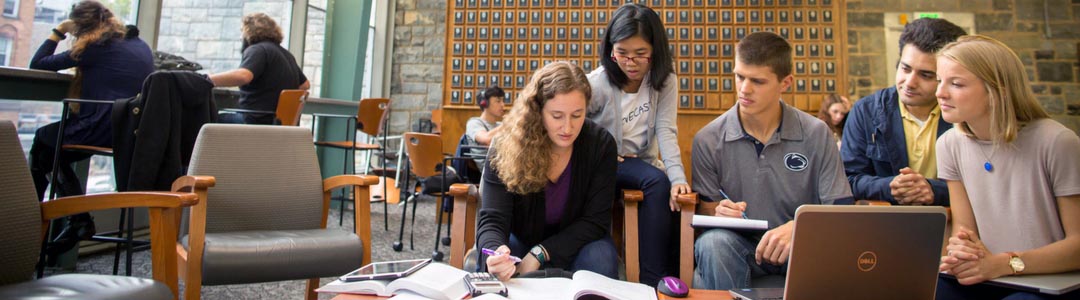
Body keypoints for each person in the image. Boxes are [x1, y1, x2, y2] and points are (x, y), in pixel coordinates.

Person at [691, 32, 852, 290]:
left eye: (757, 81)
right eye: (739, 76)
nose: (744, 89)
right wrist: (718, 213)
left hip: (802, 245)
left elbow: (841, 210)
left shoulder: (816, 133)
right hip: (741, 246)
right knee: (713, 244)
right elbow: (706, 215)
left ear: (785, 83)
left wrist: (800, 228)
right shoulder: (707, 139)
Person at [935, 35, 1080, 300]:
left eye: (955, 83)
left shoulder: (1057, 142)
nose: (939, 92)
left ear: (997, 91)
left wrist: (1004, 263)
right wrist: (962, 250)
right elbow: (964, 229)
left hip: (1053, 281)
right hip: (990, 276)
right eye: (939, 80)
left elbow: (1077, 246)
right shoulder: (948, 144)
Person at [26, 0, 154, 255]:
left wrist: (59, 31)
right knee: (49, 153)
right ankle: (73, 221)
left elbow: (38, 63)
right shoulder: (138, 43)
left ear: (80, 29)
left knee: (43, 141)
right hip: (131, 130)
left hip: (101, 127)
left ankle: (32, 225)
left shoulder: (96, 46)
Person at [478, 61, 619, 282]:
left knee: (601, 257)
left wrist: (540, 253)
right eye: (557, 116)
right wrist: (495, 253)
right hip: (522, 239)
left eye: (577, 115)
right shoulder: (506, 145)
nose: (568, 128)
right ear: (538, 111)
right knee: (503, 261)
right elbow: (493, 219)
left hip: (579, 243)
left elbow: (595, 221)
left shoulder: (601, 145)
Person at [586, 3, 688, 285]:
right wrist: (601, 150)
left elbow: (666, 130)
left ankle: (654, 279)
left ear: (655, 50)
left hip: (641, 163)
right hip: (604, 164)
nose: (630, 62)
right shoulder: (597, 83)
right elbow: (573, 123)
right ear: (611, 50)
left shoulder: (665, 81)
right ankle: (620, 273)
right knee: (647, 182)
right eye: (623, 54)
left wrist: (678, 176)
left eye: (640, 54)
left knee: (664, 186)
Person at [841, 18, 965, 206]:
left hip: (953, 224)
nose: (910, 82)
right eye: (905, 68)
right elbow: (847, 180)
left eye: (925, 75)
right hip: (885, 226)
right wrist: (890, 186)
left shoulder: (963, 114)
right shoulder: (865, 111)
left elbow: (981, 185)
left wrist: (933, 190)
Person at [211, 12, 309, 125]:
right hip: (277, 123)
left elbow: (243, 76)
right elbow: (305, 85)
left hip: (256, 121)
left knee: (206, 120)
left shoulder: (258, 50)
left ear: (248, 31)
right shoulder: (286, 54)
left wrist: (206, 79)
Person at [465, 85, 506, 168]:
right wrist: (508, 123)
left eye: (502, 101)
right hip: (489, 169)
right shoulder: (474, 123)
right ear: (485, 103)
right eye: (498, 101)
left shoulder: (500, 125)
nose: (502, 105)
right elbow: (487, 139)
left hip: (504, 166)